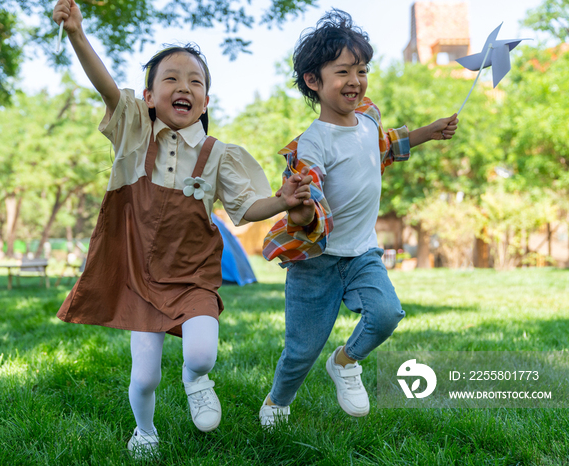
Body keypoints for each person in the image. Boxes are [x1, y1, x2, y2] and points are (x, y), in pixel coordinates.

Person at [52, 0, 315, 458]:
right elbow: (108, 89)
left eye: (195, 81)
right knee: (145, 376)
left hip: (192, 273)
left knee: (200, 354)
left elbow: (245, 206)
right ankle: (145, 432)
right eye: (170, 78)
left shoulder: (217, 154)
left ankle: (196, 381)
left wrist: (283, 200)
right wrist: (77, 33)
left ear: (206, 101)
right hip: (139, 275)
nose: (184, 86)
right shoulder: (134, 133)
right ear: (150, 96)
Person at [259, 9, 459, 426]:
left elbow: (388, 145)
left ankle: (346, 361)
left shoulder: (368, 122)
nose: (355, 81)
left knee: (386, 314)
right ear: (314, 81)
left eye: (362, 70)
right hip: (317, 260)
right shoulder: (314, 141)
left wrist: (431, 130)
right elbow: (308, 186)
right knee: (300, 349)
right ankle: (277, 401)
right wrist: (297, 202)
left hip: (363, 252)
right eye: (343, 72)